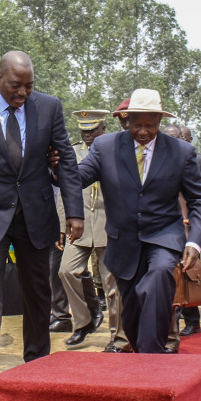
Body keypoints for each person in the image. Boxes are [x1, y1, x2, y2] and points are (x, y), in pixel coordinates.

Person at [0, 51, 84, 401]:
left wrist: (74, 212)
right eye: (15, 86)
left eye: (28, 86)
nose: (22, 93)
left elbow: (65, 158)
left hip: (36, 215)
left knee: (38, 292)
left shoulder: (49, 107)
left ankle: (37, 364)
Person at [74, 89, 201, 354]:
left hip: (164, 236)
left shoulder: (182, 152)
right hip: (122, 242)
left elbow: (200, 201)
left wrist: (194, 241)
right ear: (127, 120)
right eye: (138, 125)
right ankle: (145, 353)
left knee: (158, 277)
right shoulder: (106, 147)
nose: (144, 131)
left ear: (159, 121)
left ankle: (151, 361)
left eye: (150, 125)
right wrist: (56, 167)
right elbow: (77, 178)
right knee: (133, 312)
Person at [58, 110, 130, 353]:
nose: (87, 135)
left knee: (112, 284)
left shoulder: (115, 149)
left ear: (103, 129)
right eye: (83, 130)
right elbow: (64, 191)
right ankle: (84, 321)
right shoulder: (72, 152)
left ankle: (118, 336)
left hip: (109, 226)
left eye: (92, 130)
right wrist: (61, 224)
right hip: (79, 225)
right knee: (67, 271)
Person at [176, 125, 201, 338]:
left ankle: (192, 319)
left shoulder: (198, 161)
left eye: (179, 137)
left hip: (191, 227)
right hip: (170, 226)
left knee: (188, 272)